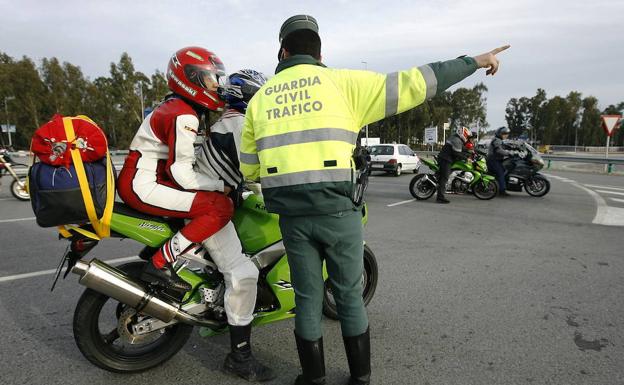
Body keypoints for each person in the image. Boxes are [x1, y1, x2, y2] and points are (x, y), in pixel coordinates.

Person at [240, 14, 509, 385]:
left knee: (306, 297)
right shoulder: (343, 84)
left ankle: (313, 378)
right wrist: (473, 62)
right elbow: (420, 82)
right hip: (338, 212)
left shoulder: (260, 99)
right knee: (349, 295)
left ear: (283, 51)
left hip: (293, 218)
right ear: (319, 53)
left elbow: (250, 170)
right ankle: (360, 379)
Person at [117, 48, 274, 382]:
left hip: (148, 180)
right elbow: (183, 173)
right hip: (144, 184)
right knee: (239, 262)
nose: (216, 86)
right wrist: (220, 187)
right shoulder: (191, 115)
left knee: (224, 207)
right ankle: (239, 356)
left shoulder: (194, 112)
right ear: (189, 78)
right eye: (209, 78)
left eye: (217, 80)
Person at [436, 126, 473, 204]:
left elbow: (461, 148)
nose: (466, 137)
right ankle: (440, 197)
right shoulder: (456, 140)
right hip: (446, 160)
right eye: (466, 135)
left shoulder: (456, 138)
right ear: (462, 134)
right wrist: (466, 158)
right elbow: (457, 153)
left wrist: (469, 151)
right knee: (445, 177)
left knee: (447, 174)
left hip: (446, 158)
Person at [487, 126, 511, 196]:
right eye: (504, 134)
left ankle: (500, 186)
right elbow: (499, 150)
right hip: (493, 160)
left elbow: (505, 146)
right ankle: (502, 190)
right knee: (500, 173)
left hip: (497, 160)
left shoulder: (499, 140)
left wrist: (514, 147)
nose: (506, 135)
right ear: (500, 134)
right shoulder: (496, 140)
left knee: (504, 170)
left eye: (507, 134)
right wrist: (509, 153)